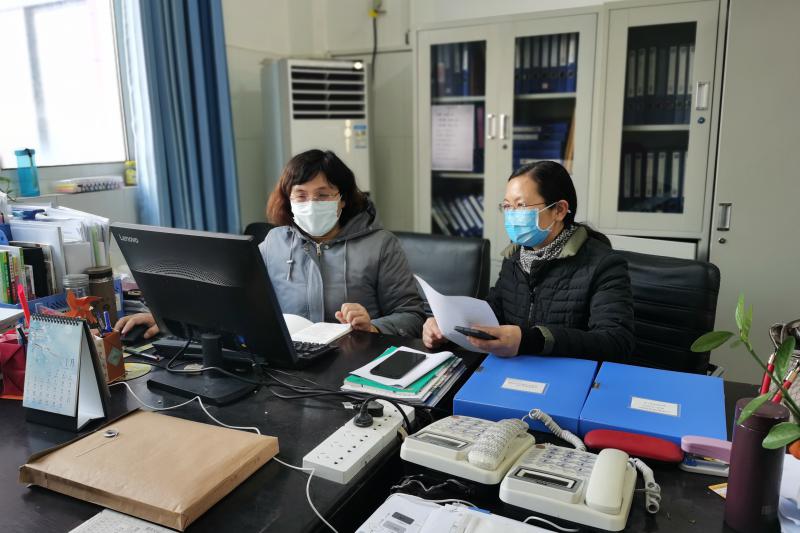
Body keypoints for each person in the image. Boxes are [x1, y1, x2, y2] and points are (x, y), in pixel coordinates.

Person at [117, 149, 426, 339]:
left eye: (323, 195)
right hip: (291, 364)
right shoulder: (275, 242)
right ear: (289, 201)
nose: (311, 203)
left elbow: (412, 315)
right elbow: (230, 299)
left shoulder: (380, 245)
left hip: (357, 362)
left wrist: (373, 326)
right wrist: (168, 315)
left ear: (342, 199)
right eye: (301, 195)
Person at [422, 161, 635, 361]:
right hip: (512, 369)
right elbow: (495, 312)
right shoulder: (516, 256)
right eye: (507, 206)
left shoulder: (603, 264)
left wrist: (531, 340)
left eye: (521, 205)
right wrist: (448, 327)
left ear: (559, 210)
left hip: (567, 374)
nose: (512, 215)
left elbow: (616, 342)